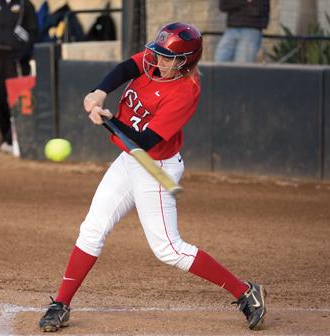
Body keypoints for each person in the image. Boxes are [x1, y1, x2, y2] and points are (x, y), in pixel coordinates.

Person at [38, 22, 267, 332]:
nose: (157, 60)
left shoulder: (185, 91)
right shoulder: (155, 64)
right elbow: (125, 68)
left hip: (154, 165)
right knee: (92, 228)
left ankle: (245, 292)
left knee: (168, 249)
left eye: (166, 57)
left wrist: (109, 120)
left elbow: (144, 142)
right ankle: (61, 304)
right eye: (156, 53)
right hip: (129, 160)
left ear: (185, 61)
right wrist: (100, 92)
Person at [0, 0, 38, 154]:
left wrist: (24, 54)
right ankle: (6, 137)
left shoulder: (25, 5)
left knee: (20, 101)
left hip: (17, 60)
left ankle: (22, 138)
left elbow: (34, 33)